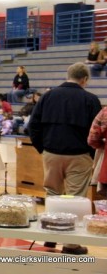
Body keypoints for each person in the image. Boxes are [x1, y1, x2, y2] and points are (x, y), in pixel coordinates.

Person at [29, 62, 101, 255]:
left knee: (52, 194)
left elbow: (33, 127)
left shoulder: (48, 96)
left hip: (52, 152)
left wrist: (42, 149)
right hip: (79, 155)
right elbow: (97, 131)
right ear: (84, 79)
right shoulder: (91, 99)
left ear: (68, 75)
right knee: (76, 198)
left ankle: (51, 235)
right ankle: (70, 244)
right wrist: (91, 154)